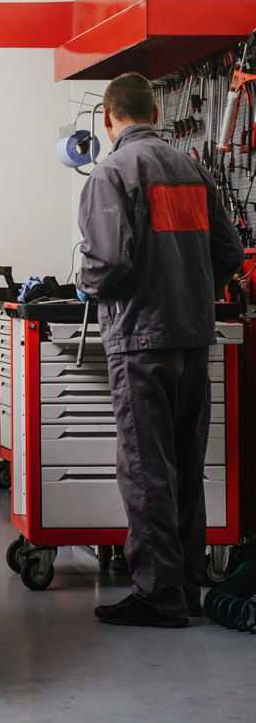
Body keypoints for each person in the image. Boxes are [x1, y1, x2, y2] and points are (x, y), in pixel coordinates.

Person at [76, 71, 244, 628]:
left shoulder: (113, 171)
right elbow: (229, 250)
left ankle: (158, 595)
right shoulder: (194, 170)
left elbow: (109, 262)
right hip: (194, 338)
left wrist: (87, 283)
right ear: (155, 111)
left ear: (108, 117)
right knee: (185, 466)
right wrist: (190, 289)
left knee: (147, 470)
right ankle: (189, 585)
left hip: (140, 338)